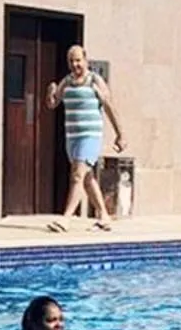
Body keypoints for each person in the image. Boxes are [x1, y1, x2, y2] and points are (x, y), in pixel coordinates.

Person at [45, 45, 125, 233]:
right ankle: (104, 217)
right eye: (71, 61)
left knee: (77, 175)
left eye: (78, 60)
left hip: (90, 135)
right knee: (87, 179)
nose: (75, 64)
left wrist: (120, 134)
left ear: (86, 60)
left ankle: (66, 219)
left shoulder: (94, 80)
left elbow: (109, 107)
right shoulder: (67, 81)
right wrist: (50, 93)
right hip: (72, 136)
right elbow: (53, 104)